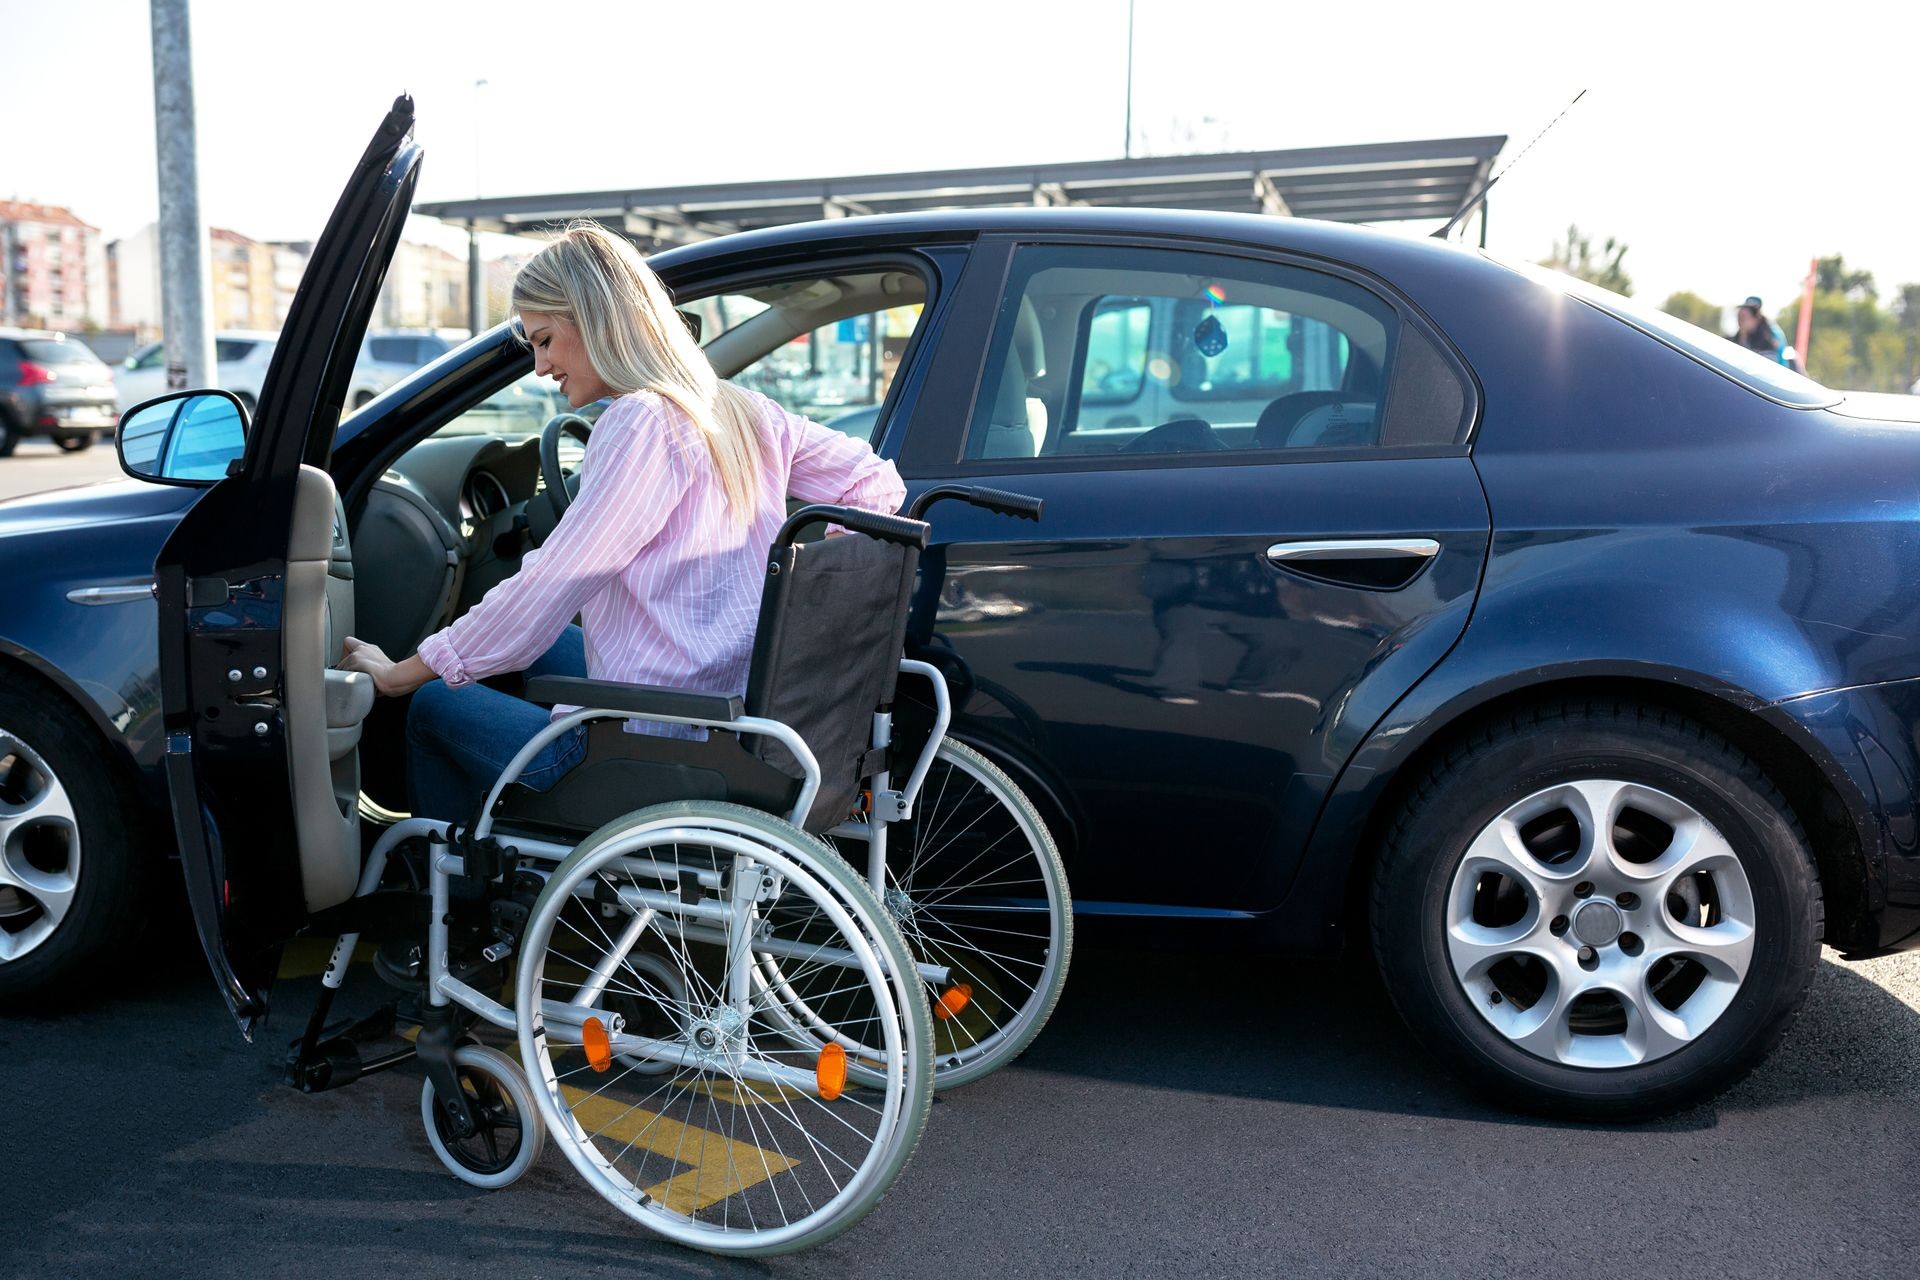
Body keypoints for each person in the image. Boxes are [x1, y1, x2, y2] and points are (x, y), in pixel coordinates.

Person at [338, 222, 906, 821]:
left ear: (594, 320)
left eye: (546, 340)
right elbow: (874, 482)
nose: (539, 367)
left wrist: (401, 673)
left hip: (650, 743)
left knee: (432, 703)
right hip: (738, 708)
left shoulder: (639, 423)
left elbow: (554, 582)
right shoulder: (743, 410)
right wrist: (815, 590)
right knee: (536, 644)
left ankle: (461, 891)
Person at [1733, 295, 1800, 371]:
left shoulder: (1770, 336)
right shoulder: (1744, 334)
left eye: (1744, 317)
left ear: (1756, 318)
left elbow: (1765, 366)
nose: (1740, 321)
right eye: (1739, 317)